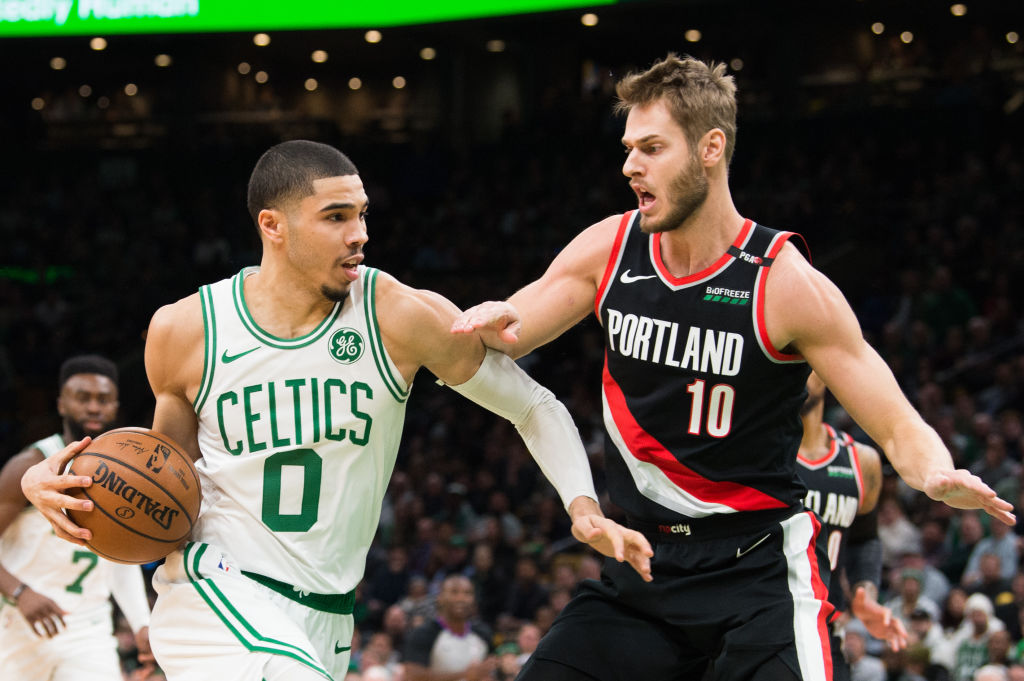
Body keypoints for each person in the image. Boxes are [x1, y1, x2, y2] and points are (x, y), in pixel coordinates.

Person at [451, 54, 1015, 681]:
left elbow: (898, 423)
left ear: (710, 148)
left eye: (652, 147)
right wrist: (489, 319)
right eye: (629, 147)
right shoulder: (611, 247)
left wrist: (935, 473)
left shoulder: (784, 284)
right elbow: (514, 322)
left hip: (760, 573)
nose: (630, 165)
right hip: (644, 568)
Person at [20, 140, 652, 681]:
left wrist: (584, 506)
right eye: (336, 216)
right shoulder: (187, 328)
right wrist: (53, 487)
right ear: (274, 225)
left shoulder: (395, 315)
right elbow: (162, 478)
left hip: (327, 613)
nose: (361, 234)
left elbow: (533, 404)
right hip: (215, 586)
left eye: (362, 214)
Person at [0, 354, 154, 680]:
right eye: (83, 398)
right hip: (17, 622)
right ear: (61, 405)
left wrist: (141, 621)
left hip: (89, 629)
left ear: (116, 406)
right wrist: (19, 592)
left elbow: (116, 560)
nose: (94, 407)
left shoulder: (125, 474)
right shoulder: (27, 466)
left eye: (103, 399)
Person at [797, 371, 908, 679]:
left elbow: (864, 540)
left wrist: (865, 592)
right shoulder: (756, 453)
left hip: (824, 628)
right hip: (758, 621)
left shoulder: (862, 461)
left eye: (805, 359)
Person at [401, 574, 494, 681]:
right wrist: (464, 675)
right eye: (454, 592)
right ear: (440, 597)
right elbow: (412, 676)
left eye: (467, 593)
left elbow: (488, 672)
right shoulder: (423, 633)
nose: (461, 598)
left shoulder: (483, 633)